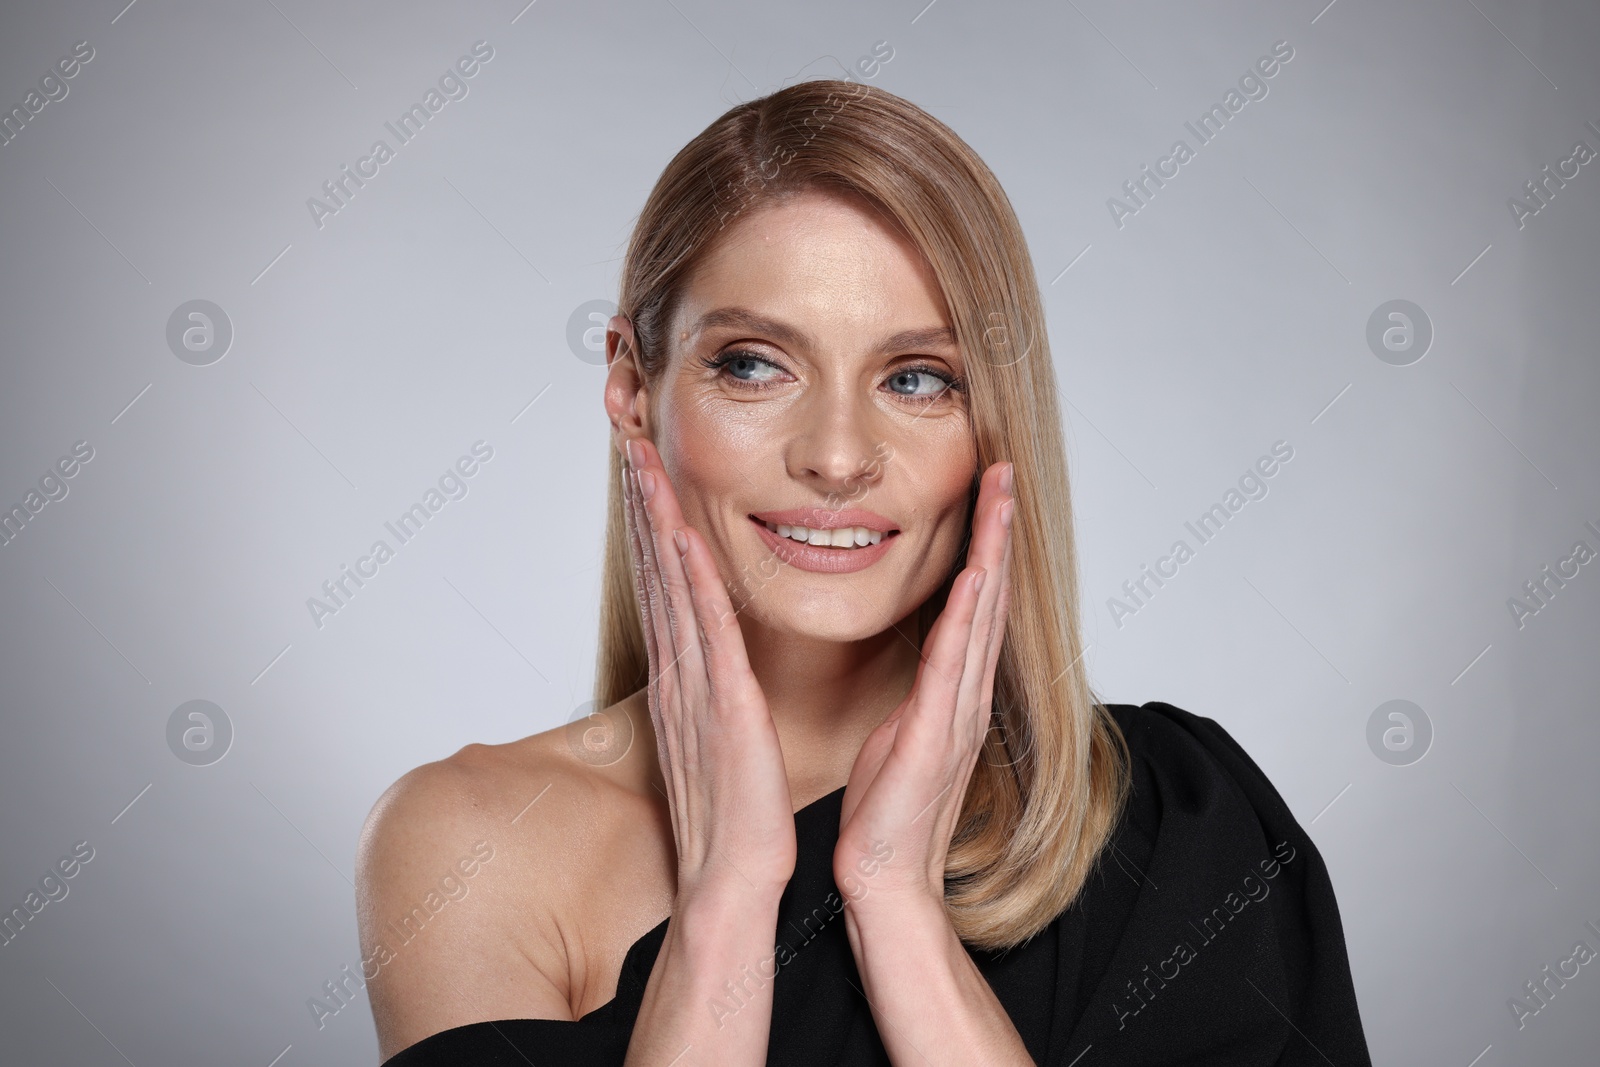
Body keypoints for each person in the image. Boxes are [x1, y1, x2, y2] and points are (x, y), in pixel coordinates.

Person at [355, 79, 1373, 1066]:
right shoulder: (468, 841)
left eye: (916, 377)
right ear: (631, 388)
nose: (837, 456)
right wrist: (726, 897)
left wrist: (895, 906)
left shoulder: (1179, 826)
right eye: (753, 363)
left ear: (992, 422)